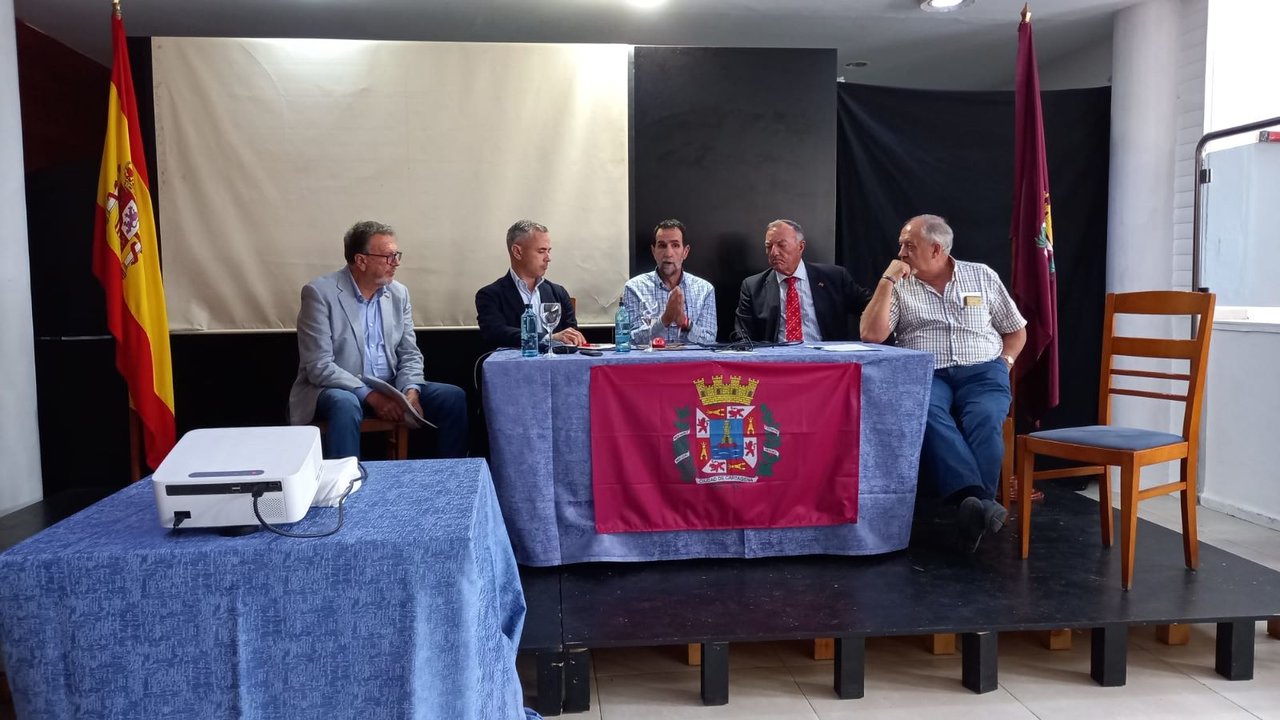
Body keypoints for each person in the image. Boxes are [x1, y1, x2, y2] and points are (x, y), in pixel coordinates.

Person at [860, 214, 1027, 550]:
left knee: (985, 417)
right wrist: (886, 281)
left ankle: (971, 508)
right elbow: (870, 335)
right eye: (901, 245)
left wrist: (1005, 362)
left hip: (983, 370)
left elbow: (1016, 329)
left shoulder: (981, 276)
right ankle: (979, 501)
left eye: (909, 245)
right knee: (926, 412)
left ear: (936, 249)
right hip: (926, 371)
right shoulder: (900, 283)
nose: (901, 252)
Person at [288, 220, 468, 459]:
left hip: (391, 384)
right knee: (345, 404)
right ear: (361, 260)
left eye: (397, 255)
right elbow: (319, 366)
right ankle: (346, 487)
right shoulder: (320, 293)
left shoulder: (398, 293)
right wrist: (371, 396)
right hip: (337, 388)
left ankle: (455, 482)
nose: (397, 263)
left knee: (452, 397)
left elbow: (410, 352)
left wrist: (411, 390)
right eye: (388, 257)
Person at [734, 219, 872, 342]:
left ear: (801, 246)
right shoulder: (753, 286)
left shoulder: (834, 277)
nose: (774, 252)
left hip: (827, 360)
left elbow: (870, 307)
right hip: (776, 362)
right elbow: (743, 335)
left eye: (781, 245)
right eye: (769, 246)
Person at [476, 219, 587, 349]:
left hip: (558, 366)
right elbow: (495, 333)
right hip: (514, 367)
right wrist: (547, 338)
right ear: (517, 252)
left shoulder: (558, 292)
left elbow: (571, 334)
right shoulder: (490, 295)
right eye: (541, 251)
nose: (548, 258)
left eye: (548, 251)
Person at [622, 219, 718, 345]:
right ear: (653, 251)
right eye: (662, 245)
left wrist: (684, 322)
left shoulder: (705, 289)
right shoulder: (634, 287)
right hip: (650, 363)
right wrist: (664, 320)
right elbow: (630, 340)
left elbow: (710, 340)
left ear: (685, 252)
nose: (668, 253)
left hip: (692, 363)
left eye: (675, 245)